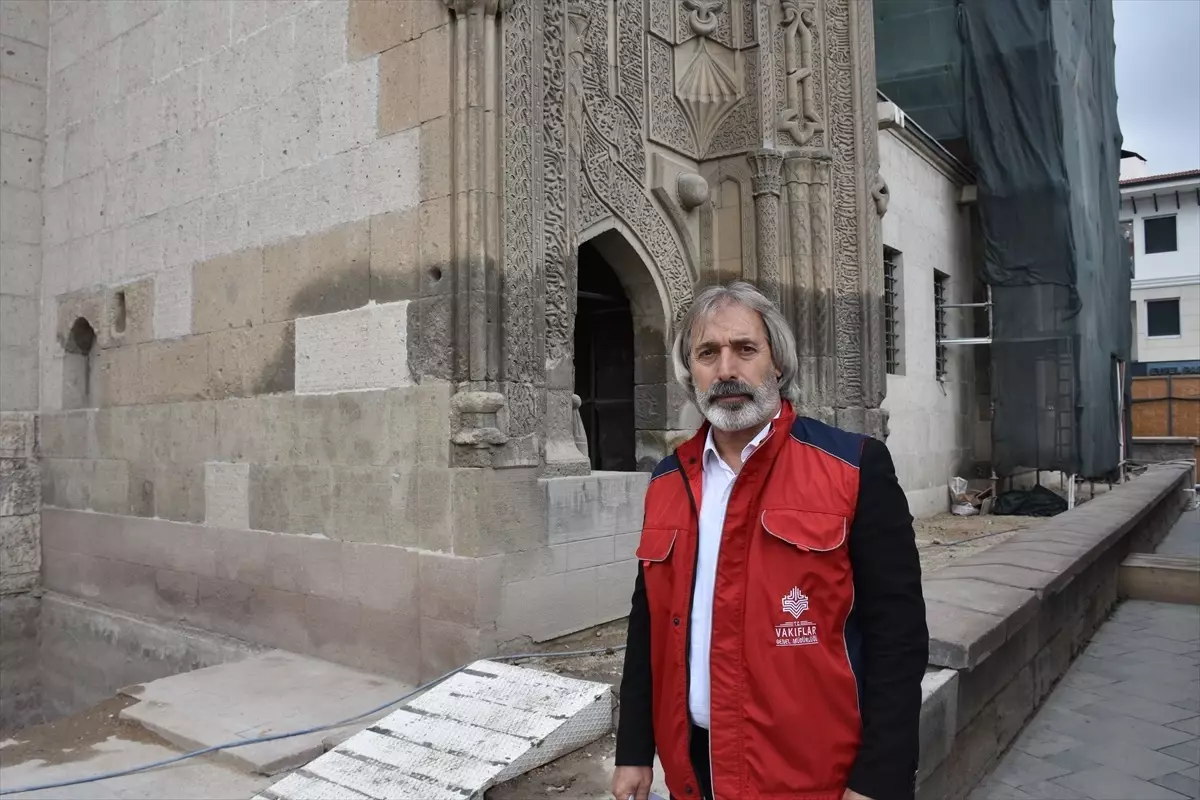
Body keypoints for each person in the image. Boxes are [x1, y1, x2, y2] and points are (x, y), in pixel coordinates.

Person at [611, 282, 928, 800]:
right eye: (707, 353)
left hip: (812, 775)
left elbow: (900, 635)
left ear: (777, 363)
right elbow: (649, 620)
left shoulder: (854, 467)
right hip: (696, 767)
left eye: (745, 349)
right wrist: (633, 749)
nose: (727, 370)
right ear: (690, 373)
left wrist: (879, 778)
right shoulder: (668, 481)